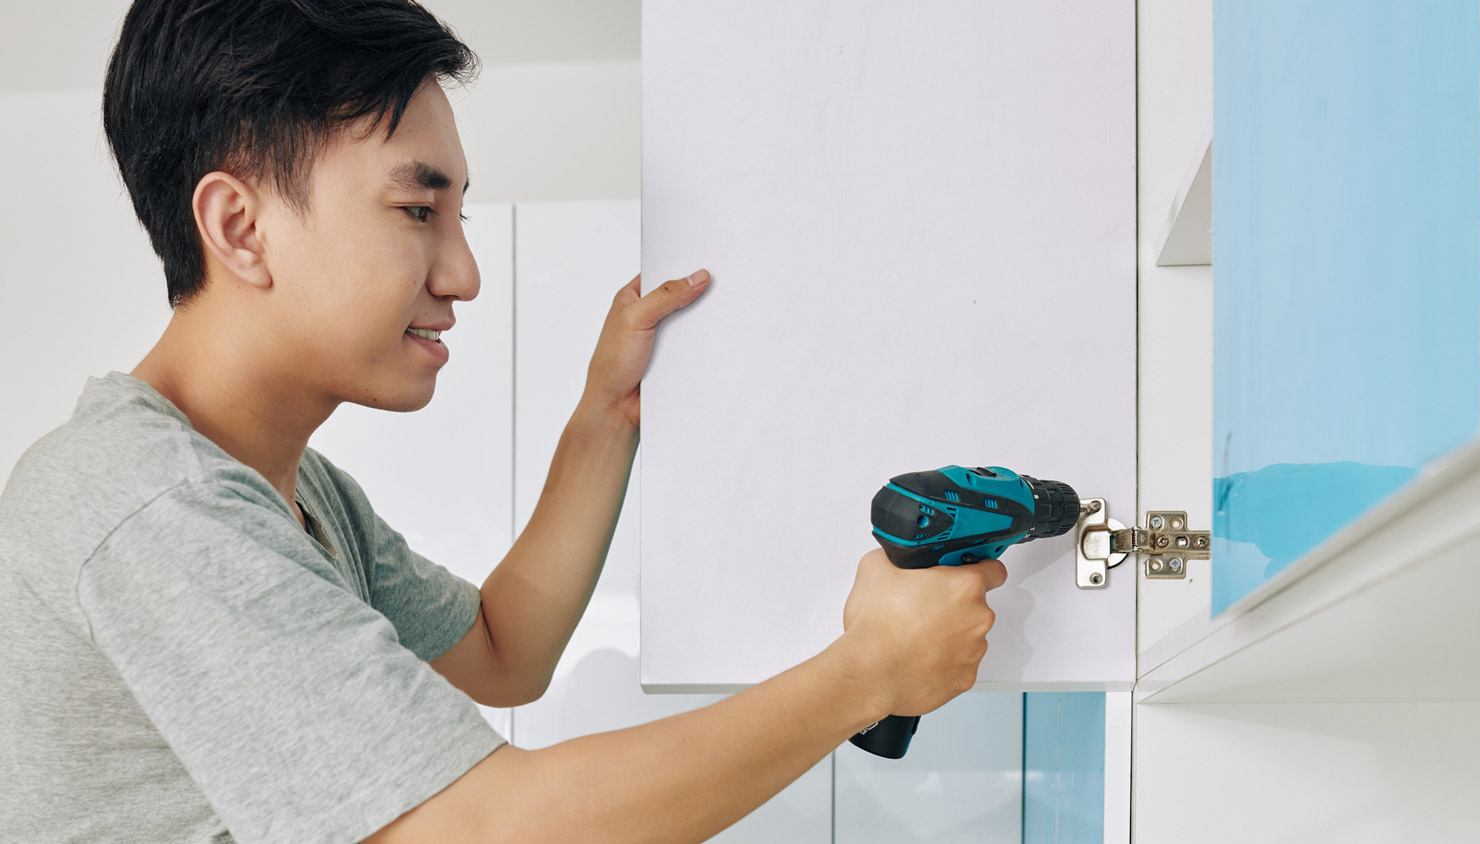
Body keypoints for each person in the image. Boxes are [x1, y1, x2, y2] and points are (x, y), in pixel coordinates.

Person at [0, 0, 1005, 841]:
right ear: (238, 226)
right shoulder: (153, 505)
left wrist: (607, 411)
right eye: (416, 210)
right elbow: (476, 829)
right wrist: (866, 672)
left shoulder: (295, 496)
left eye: (461, 215)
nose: (463, 274)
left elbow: (500, 646)